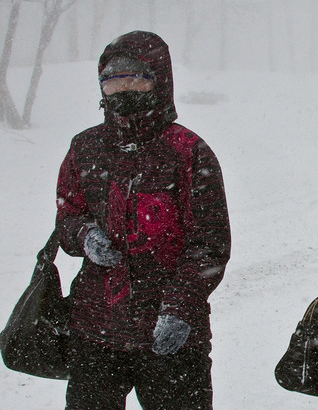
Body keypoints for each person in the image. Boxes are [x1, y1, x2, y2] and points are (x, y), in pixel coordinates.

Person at [55, 30, 231, 409]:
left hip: (173, 336)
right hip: (96, 331)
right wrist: (84, 235)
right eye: (112, 81)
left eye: (134, 78)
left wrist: (179, 308)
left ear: (159, 80)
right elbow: (67, 216)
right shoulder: (85, 148)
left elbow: (210, 243)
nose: (122, 90)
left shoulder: (187, 152)